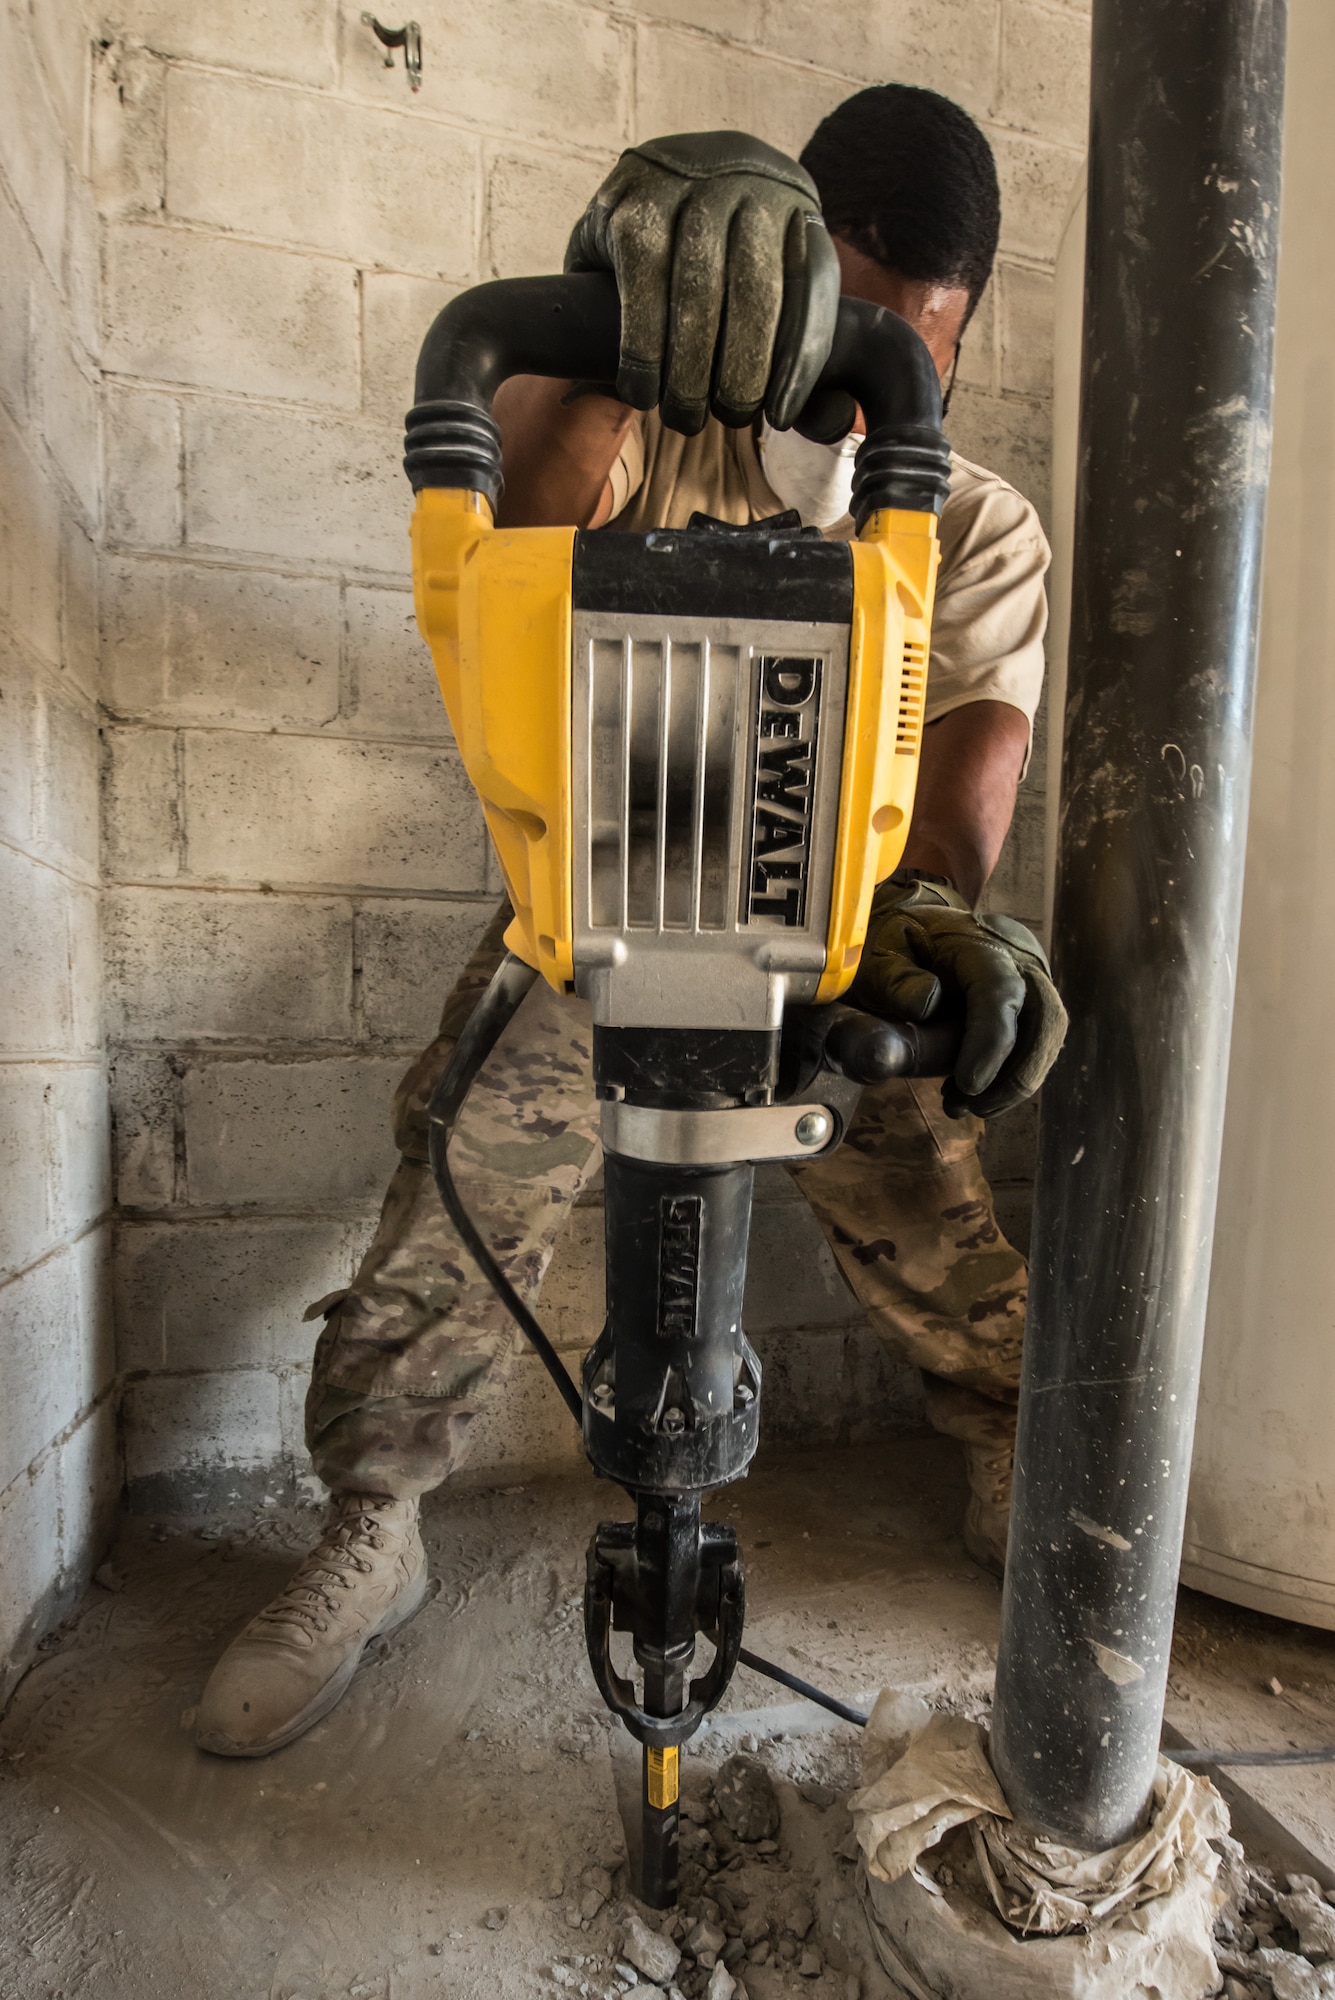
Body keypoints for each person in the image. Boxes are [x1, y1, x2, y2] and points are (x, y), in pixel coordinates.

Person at [195, 85, 1066, 1759]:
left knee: (936, 1210)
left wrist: (940, 917)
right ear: (784, 281)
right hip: (603, 910)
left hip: (821, 943)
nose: (877, 384)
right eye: (850, 332)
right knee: (458, 1189)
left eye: (922, 350)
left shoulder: (974, 522)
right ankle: (371, 1528)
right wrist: (614, 307)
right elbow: (508, 525)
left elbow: (966, 775)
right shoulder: (651, 426)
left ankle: (1021, 1464)